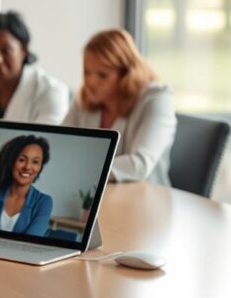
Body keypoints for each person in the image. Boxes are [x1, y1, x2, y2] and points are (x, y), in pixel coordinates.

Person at [62, 29, 176, 185]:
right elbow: (61, 146)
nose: (90, 82)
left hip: (144, 198)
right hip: (94, 195)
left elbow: (140, 164)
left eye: (102, 74)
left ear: (127, 73)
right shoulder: (84, 98)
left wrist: (82, 170)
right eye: (87, 72)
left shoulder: (158, 98)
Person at [0, 135, 53, 236]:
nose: (27, 167)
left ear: (40, 167)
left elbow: (30, 243)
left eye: (35, 162)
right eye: (22, 160)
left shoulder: (44, 202)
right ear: (11, 162)